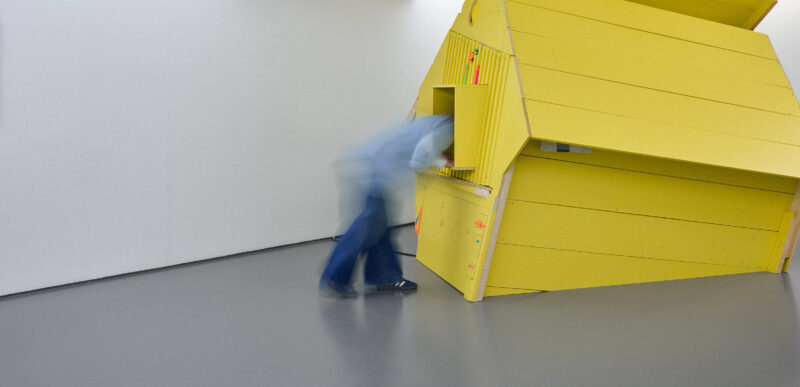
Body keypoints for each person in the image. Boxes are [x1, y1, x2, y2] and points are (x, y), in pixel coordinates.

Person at [320, 114, 455, 297]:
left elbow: (420, 146)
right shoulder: (448, 129)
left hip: (370, 167)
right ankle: (334, 275)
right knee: (365, 228)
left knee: (380, 228)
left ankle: (385, 276)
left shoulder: (433, 121)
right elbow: (419, 158)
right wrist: (443, 162)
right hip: (375, 174)